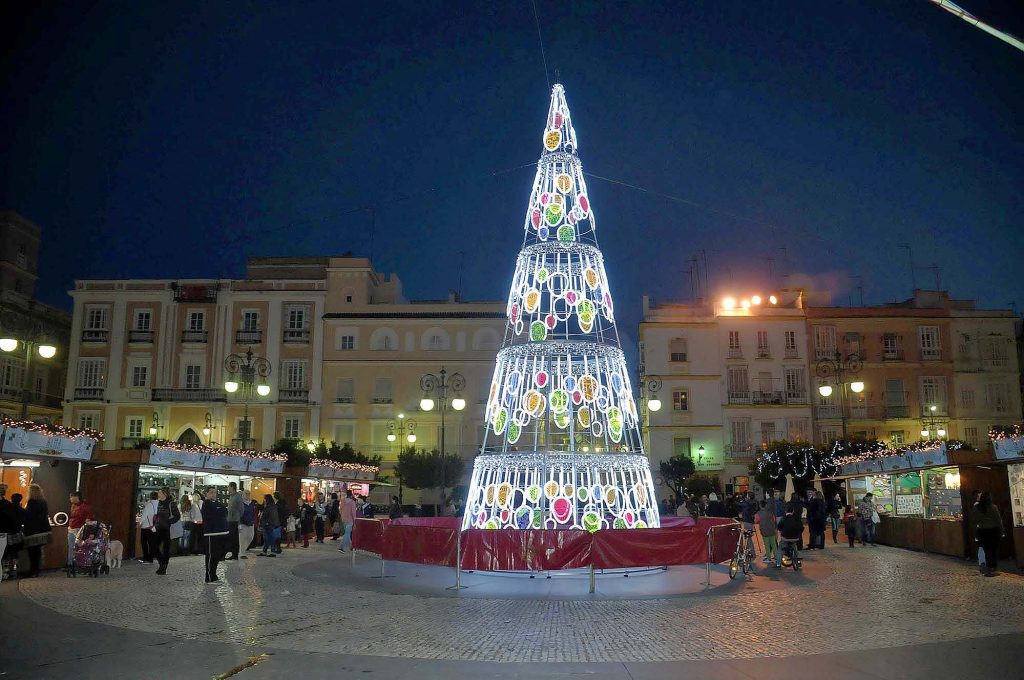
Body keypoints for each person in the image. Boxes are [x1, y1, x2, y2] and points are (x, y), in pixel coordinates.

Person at [20, 484, 51, 578]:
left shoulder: (31, 502)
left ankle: (32, 570)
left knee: (32, 552)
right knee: (37, 551)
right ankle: (36, 570)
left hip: (32, 531)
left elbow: (29, 516)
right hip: (42, 530)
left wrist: (20, 510)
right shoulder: (43, 502)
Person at [200, 487, 229, 583]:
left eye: (215, 493)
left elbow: (225, 511)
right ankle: (209, 577)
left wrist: (219, 510)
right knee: (211, 555)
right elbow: (213, 514)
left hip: (221, 532)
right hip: (211, 533)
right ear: (206, 494)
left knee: (216, 555)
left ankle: (214, 575)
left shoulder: (217, 504)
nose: (213, 494)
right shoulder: (206, 504)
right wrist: (219, 511)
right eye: (211, 492)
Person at [974, 491, 1005, 577]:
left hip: (982, 531)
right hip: (993, 531)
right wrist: (1002, 531)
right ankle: (993, 569)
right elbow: (998, 520)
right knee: (993, 550)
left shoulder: (977, 507)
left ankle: (988, 569)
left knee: (986, 550)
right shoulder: (993, 507)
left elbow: (975, 520)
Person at [153, 487, 180, 575]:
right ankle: (162, 563)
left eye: (160, 493)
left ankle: (163, 567)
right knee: (154, 547)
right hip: (158, 528)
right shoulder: (158, 503)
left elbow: (177, 516)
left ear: (165, 494)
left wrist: (168, 522)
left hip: (167, 529)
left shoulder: (171, 503)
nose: (158, 494)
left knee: (166, 548)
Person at [66, 491, 94, 571]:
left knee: (80, 547)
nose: (70, 498)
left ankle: (80, 563)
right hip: (71, 528)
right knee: (71, 547)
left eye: (72, 497)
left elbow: (89, 518)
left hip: (80, 529)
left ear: (77, 497)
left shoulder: (85, 507)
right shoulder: (73, 506)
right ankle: (70, 564)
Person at [0, 484, 19, 581]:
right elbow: (12, 519)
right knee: (3, 554)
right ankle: (5, 572)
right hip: (4, 532)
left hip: (3, 531)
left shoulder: (7, 505)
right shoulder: (7, 505)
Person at [777, 504, 804, 568]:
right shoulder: (797, 518)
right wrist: (798, 534)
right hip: (795, 538)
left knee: (780, 548)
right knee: (794, 546)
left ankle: (778, 563)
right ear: (793, 511)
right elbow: (801, 528)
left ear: (785, 511)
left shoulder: (783, 518)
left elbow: (779, 527)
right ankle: (798, 560)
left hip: (785, 538)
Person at [137, 491, 159, 563]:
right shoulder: (159, 504)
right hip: (155, 526)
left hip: (147, 526)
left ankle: (146, 557)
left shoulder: (149, 504)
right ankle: (151, 558)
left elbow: (144, 515)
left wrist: (139, 523)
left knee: (144, 543)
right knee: (152, 543)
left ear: (150, 496)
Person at [757, 499, 778, 565]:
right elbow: (774, 520)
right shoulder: (770, 512)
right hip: (771, 530)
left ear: (760, 506)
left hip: (764, 531)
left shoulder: (758, 513)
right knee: (774, 544)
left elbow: (756, 521)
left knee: (767, 545)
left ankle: (768, 558)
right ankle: (777, 557)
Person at [226, 482, 243, 560]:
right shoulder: (231, 496)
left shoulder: (237, 497)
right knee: (232, 537)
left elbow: (241, 509)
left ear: (232, 487)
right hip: (230, 519)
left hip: (235, 520)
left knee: (234, 538)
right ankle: (234, 554)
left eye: (228, 486)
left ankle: (235, 554)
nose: (227, 488)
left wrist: (238, 517)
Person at [238, 491, 255, 557]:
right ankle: (242, 553)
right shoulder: (240, 504)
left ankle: (242, 550)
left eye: (249, 494)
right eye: (246, 494)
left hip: (250, 523)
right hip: (242, 524)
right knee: (242, 539)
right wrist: (239, 524)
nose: (248, 495)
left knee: (250, 537)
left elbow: (253, 513)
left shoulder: (251, 503)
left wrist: (253, 521)